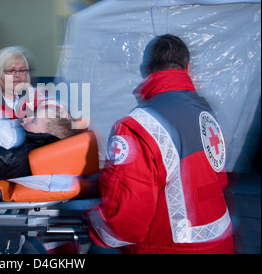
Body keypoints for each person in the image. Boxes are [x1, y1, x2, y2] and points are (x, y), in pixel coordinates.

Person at [88, 34, 234, 254]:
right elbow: (218, 177)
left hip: (169, 247)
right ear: (188, 68)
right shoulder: (204, 110)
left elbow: (125, 224)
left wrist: (91, 219)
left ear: (145, 70)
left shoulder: (136, 126)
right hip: (222, 242)